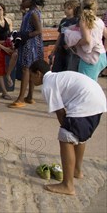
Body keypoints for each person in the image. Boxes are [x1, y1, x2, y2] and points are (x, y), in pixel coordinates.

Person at [29, 59, 106, 196]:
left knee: (66, 136)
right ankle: (76, 170)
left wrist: (66, 130)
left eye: (31, 75)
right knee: (79, 137)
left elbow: (60, 112)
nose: (31, 79)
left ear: (38, 74)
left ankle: (67, 185)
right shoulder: (57, 77)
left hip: (86, 103)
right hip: (97, 101)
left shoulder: (48, 85)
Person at [10, 0, 44, 108]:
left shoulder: (33, 13)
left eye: (24, 0)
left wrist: (24, 35)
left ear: (30, 0)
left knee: (26, 70)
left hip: (31, 45)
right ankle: (29, 96)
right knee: (31, 70)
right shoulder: (31, 12)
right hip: (31, 44)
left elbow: (39, 30)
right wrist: (23, 13)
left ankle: (20, 98)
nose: (22, 2)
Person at [73, 0, 107, 81]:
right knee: (93, 82)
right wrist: (105, 49)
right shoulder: (99, 20)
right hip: (101, 55)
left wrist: (76, 43)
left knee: (85, 84)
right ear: (96, 8)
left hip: (90, 57)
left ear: (82, 7)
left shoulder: (83, 21)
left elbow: (87, 40)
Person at [50, 0, 81, 72]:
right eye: (65, 8)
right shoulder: (63, 21)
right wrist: (54, 49)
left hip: (70, 49)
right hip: (61, 48)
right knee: (57, 69)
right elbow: (60, 35)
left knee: (68, 69)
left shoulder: (77, 21)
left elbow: (77, 36)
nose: (66, 10)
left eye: (69, 8)